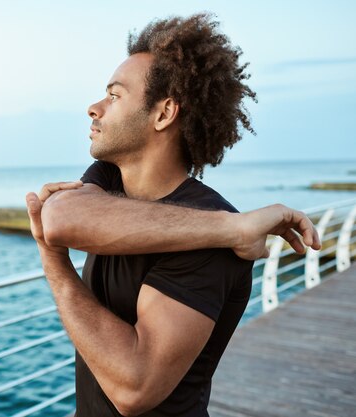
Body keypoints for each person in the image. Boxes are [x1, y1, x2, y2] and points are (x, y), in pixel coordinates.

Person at [24, 13, 321, 417]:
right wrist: (234, 228)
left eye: (114, 96)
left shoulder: (212, 239)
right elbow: (58, 221)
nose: (94, 109)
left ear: (163, 114)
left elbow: (135, 388)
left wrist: (55, 264)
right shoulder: (112, 180)